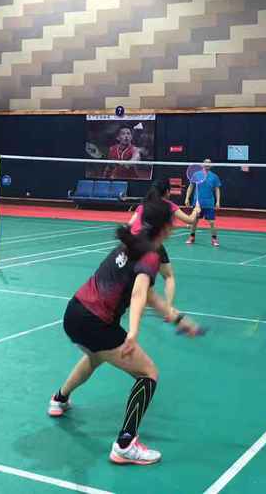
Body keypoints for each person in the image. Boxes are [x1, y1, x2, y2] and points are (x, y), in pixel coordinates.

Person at [47, 198, 203, 466]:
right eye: (173, 221)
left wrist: (178, 319)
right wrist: (133, 332)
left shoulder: (133, 241)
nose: (176, 224)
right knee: (148, 373)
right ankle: (125, 444)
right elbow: (139, 293)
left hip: (74, 313)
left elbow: (149, 295)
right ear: (166, 226)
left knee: (96, 356)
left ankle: (59, 399)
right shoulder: (151, 253)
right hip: (96, 322)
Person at [127, 180, 201, 308]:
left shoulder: (143, 205)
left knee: (135, 276)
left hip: (133, 243)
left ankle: (131, 302)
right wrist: (196, 211)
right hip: (152, 243)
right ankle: (168, 309)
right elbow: (189, 220)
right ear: (167, 191)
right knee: (168, 276)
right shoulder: (169, 205)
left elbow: (130, 225)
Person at [184, 159, 222, 247]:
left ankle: (214, 239)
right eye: (206, 163)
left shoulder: (214, 176)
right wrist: (187, 198)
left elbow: (217, 189)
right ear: (203, 164)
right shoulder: (196, 174)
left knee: (212, 222)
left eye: (209, 163)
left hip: (209, 202)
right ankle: (192, 237)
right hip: (197, 203)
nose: (207, 164)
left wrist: (218, 201)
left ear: (211, 165)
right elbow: (191, 186)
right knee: (194, 221)